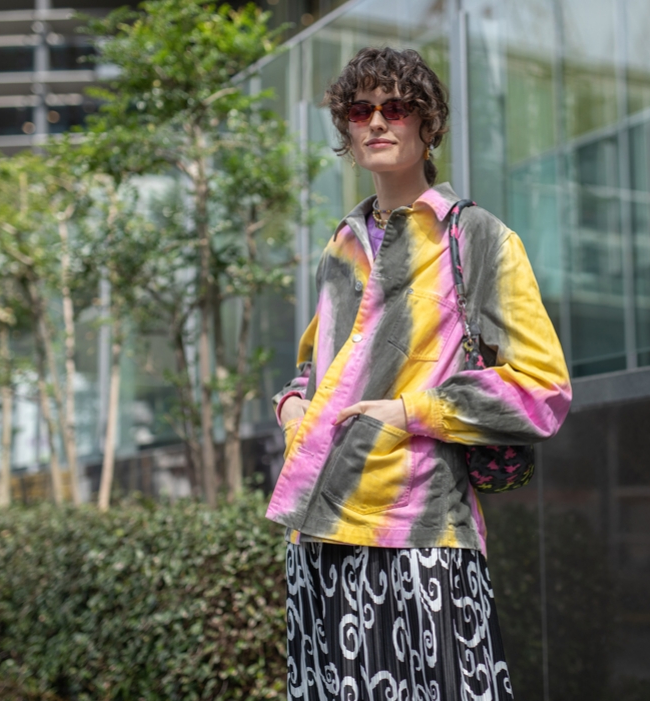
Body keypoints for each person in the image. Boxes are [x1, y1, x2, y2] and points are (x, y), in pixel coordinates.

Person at [266, 46, 571, 700]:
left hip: (418, 530)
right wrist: (291, 407)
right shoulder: (341, 246)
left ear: (428, 126)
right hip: (316, 533)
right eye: (360, 110)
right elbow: (314, 366)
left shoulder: (477, 238)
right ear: (347, 132)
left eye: (396, 107)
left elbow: (543, 388)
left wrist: (412, 411)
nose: (377, 121)